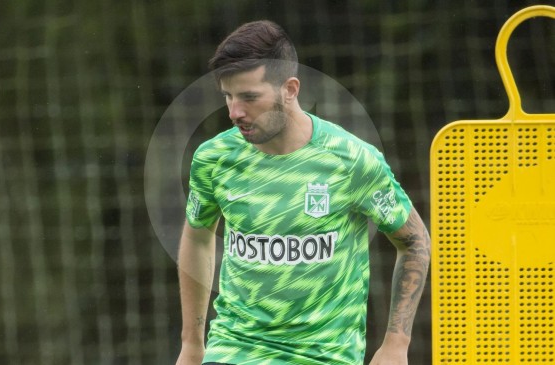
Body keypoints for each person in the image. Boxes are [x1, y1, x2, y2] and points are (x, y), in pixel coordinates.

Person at [176, 20, 430, 365]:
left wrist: (396, 345)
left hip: (325, 356)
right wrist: (192, 345)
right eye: (228, 96)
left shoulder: (352, 160)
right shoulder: (214, 158)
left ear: (290, 89)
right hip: (235, 350)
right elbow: (197, 238)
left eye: (249, 97)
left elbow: (414, 241)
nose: (235, 112)